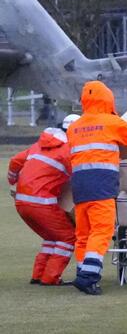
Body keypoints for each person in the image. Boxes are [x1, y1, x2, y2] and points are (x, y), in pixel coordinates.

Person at [67, 81, 127, 295]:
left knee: (83, 233)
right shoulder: (111, 122)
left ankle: (82, 272)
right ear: (107, 99)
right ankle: (88, 277)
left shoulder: (74, 127)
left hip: (79, 185)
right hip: (102, 184)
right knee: (102, 230)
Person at [7, 114, 80, 285]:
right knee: (68, 237)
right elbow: (79, 174)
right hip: (42, 203)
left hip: (21, 203)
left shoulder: (38, 145)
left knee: (51, 236)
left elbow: (15, 161)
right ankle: (50, 277)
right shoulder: (67, 150)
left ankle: (38, 275)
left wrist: (12, 180)